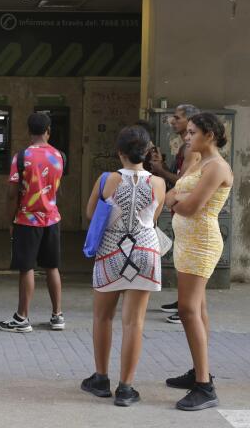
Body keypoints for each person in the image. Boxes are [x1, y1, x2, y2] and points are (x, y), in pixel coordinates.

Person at [81, 126, 166, 407]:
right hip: (145, 253)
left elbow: (92, 214)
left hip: (110, 254)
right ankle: (126, 388)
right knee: (134, 322)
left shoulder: (106, 179)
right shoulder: (158, 183)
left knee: (103, 318)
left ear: (120, 152)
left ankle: (101, 379)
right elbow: (153, 218)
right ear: (146, 153)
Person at [164, 113, 233, 412]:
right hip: (187, 243)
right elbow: (170, 194)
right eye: (187, 132)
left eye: (193, 132)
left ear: (211, 135)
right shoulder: (198, 162)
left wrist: (175, 201)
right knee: (198, 309)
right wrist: (175, 199)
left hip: (202, 243)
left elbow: (189, 207)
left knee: (187, 309)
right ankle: (198, 370)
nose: (187, 137)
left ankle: (205, 386)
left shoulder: (217, 166)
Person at [0, 112, 65, 333]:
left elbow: (11, 193)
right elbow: (56, 188)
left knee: (26, 268)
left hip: (27, 220)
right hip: (52, 219)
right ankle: (57, 316)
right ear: (48, 131)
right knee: (52, 267)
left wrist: (9, 219)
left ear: (29, 131)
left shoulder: (22, 157)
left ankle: (22, 318)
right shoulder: (59, 156)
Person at [150, 104, 201, 324]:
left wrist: (160, 171)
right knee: (182, 258)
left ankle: (188, 306)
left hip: (187, 210)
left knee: (189, 261)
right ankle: (184, 301)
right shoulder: (184, 147)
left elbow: (183, 181)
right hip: (180, 209)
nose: (172, 121)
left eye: (177, 118)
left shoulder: (191, 150)